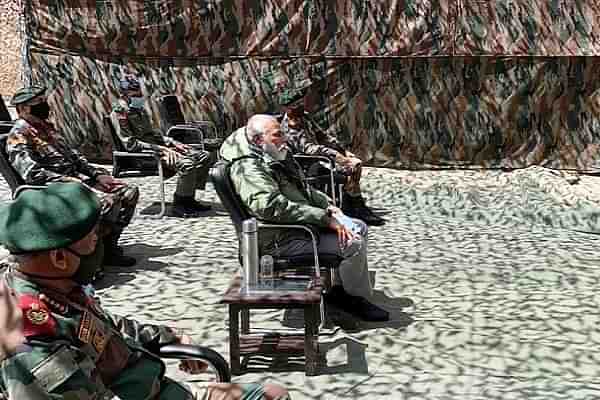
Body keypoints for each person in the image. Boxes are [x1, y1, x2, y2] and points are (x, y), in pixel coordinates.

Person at [0, 183, 290, 400]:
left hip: (159, 389)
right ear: (59, 258)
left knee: (271, 392)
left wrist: (169, 334)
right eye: (92, 239)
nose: (99, 245)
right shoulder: (28, 337)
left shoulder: (59, 288)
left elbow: (106, 327)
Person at [220, 114, 389, 322]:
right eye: (277, 135)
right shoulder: (248, 168)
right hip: (280, 238)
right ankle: (353, 299)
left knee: (358, 226)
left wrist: (329, 207)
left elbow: (303, 187)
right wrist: (324, 219)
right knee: (353, 242)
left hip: (297, 225)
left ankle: (341, 292)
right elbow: (269, 207)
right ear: (258, 140)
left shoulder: (273, 153)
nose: (284, 139)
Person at [6, 84, 138, 268]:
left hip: (75, 181)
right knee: (108, 201)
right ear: (22, 109)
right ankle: (88, 256)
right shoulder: (19, 135)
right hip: (53, 189)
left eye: (43, 101)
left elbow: (74, 156)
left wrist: (97, 175)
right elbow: (33, 174)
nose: (44, 105)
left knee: (128, 191)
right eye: (38, 102)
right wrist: (73, 182)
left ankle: (107, 247)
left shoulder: (47, 128)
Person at [279, 91, 385, 226]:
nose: (301, 106)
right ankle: (355, 207)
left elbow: (322, 136)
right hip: (306, 166)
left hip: (319, 160)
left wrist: (343, 151)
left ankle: (354, 206)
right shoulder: (289, 127)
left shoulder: (304, 117)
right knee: (350, 169)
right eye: (296, 105)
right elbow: (310, 150)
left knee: (355, 164)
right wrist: (337, 156)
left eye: (301, 102)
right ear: (287, 109)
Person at [112, 74, 212, 218]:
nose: (140, 96)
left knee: (203, 156)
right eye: (136, 94)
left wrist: (171, 142)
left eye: (140, 93)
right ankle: (179, 204)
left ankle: (189, 198)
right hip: (144, 156)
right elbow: (131, 144)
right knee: (187, 164)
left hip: (158, 149)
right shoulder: (120, 113)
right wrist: (161, 149)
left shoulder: (137, 109)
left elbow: (153, 134)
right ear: (124, 94)